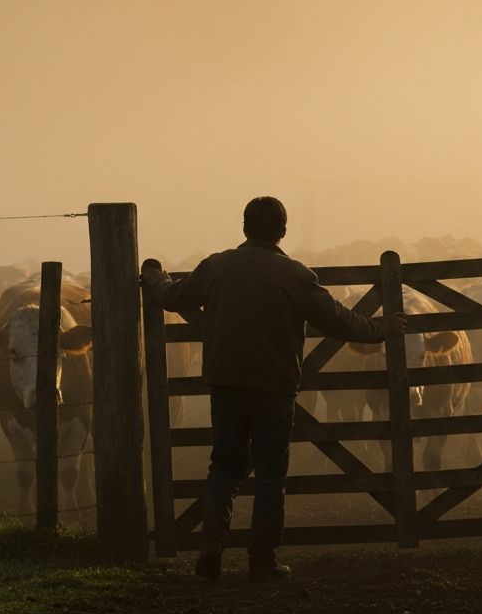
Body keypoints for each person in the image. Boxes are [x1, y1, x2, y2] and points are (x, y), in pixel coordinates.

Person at [140, 196, 406, 582]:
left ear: (244, 227)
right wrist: (383, 328)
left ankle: (211, 550)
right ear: (282, 230)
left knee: (225, 466)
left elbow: (172, 297)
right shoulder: (295, 275)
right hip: (274, 388)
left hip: (225, 383)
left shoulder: (217, 266)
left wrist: (154, 275)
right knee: (269, 473)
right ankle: (262, 560)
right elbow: (341, 322)